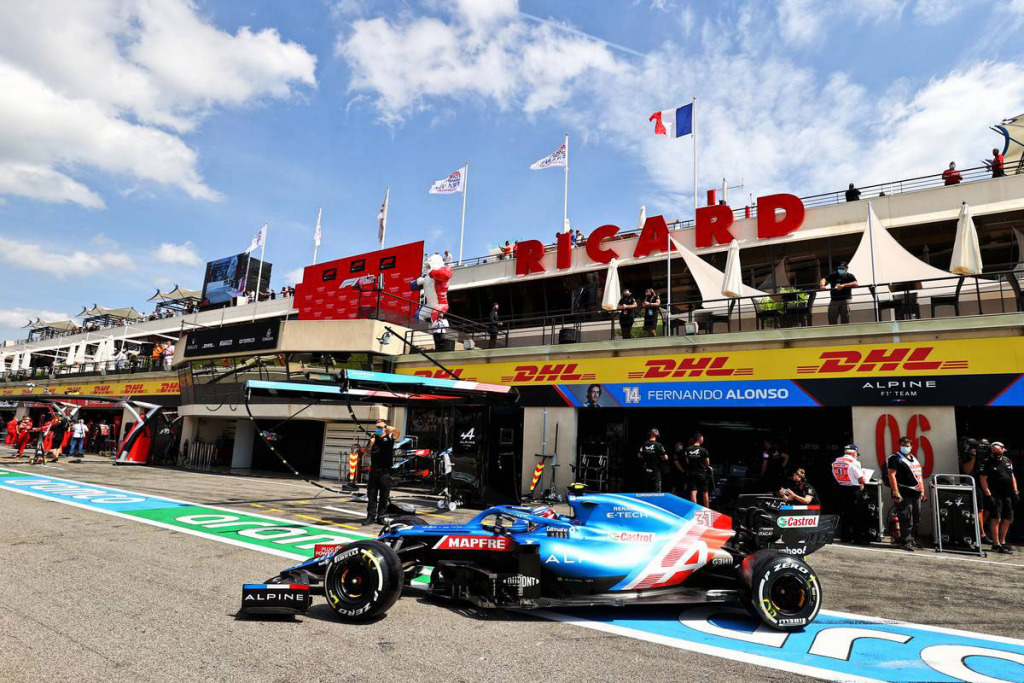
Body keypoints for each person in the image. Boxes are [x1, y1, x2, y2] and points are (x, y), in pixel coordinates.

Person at [887, 436, 926, 551]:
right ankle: (905, 541)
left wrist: (922, 491)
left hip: (916, 493)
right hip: (903, 492)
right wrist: (895, 492)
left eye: (907, 445)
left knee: (916, 517)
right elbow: (891, 475)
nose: (905, 447)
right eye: (903, 445)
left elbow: (919, 476)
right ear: (900, 446)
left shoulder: (914, 459)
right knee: (906, 517)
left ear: (911, 446)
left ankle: (912, 539)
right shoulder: (895, 458)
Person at [980, 441, 1018, 554]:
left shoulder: (1007, 460)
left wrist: (1015, 491)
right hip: (995, 494)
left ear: (1003, 450)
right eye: (995, 451)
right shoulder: (987, 462)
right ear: (991, 450)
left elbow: (1012, 476)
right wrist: (988, 495)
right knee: (996, 518)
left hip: (1008, 494)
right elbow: (983, 479)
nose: (997, 453)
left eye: (999, 451)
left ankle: (1002, 541)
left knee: (1008, 518)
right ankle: (996, 544)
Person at [832, 444, 868, 543]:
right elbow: (861, 479)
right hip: (854, 490)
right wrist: (864, 478)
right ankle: (858, 538)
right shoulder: (854, 462)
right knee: (857, 514)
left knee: (845, 513)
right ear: (854, 453)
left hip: (842, 488)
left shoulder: (836, 461)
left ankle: (845, 536)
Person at [364, 419, 397, 524]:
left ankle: (381, 517)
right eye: (376, 427)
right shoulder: (374, 438)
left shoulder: (390, 437)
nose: (377, 429)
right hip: (374, 471)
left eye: (379, 427)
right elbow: (366, 452)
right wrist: (371, 443)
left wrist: (385, 427)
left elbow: (397, 432)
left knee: (384, 495)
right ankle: (370, 517)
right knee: (372, 494)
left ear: (385, 428)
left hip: (385, 472)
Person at [683, 433, 712, 507]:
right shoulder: (704, 450)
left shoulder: (688, 449)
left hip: (692, 472)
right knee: (705, 492)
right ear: (699, 439)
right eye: (702, 439)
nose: (703, 440)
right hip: (702, 473)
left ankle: (694, 509)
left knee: (693, 491)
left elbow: (687, 462)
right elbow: (707, 463)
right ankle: (707, 509)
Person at [637, 428, 669, 492]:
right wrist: (659, 458)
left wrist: (646, 456)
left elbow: (639, 455)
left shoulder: (645, 443)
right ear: (657, 435)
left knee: (646, 488)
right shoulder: (658, 445)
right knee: (657, 489)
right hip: (656, 470)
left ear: (650, 434)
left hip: (646, 469)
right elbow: (666, 457)